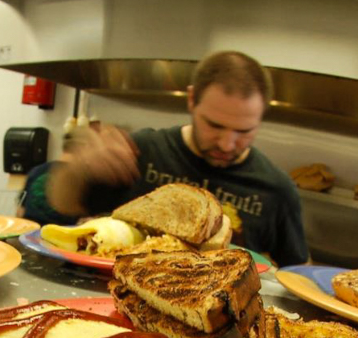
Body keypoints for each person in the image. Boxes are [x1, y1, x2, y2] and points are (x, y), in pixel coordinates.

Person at [19, 51, 309, 266]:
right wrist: (79, 170)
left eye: (244, 131)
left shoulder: (276, 188)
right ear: (192, 100)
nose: (227, 143)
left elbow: (297, 272)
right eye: (215, 125)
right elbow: (62, 205)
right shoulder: (144, 151)